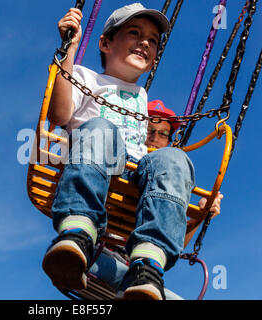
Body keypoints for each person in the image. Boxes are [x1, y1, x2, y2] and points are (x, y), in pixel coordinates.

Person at [42, 3, 198, 300]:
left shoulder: (141, 96)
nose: (144, 42)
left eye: (152, 40)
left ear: (153, 59)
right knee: (101, 128)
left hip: (132, 181)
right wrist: (69, 49)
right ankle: (78, 230)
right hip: (94, 165)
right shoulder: (84, 77)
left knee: (175, 158)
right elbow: (60, 115)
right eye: (134, 33)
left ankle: (147, 266)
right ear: (105, 43)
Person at [87, 100, 223, 299]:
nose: (154, 137)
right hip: (101, 255)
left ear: (169, 140)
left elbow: (174, 240)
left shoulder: (168, 185)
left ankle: (136, 282)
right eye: (148, 129)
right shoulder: (116, 162)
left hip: (138, 268)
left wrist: (200, 217)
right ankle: (133, 283)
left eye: (162, 133)